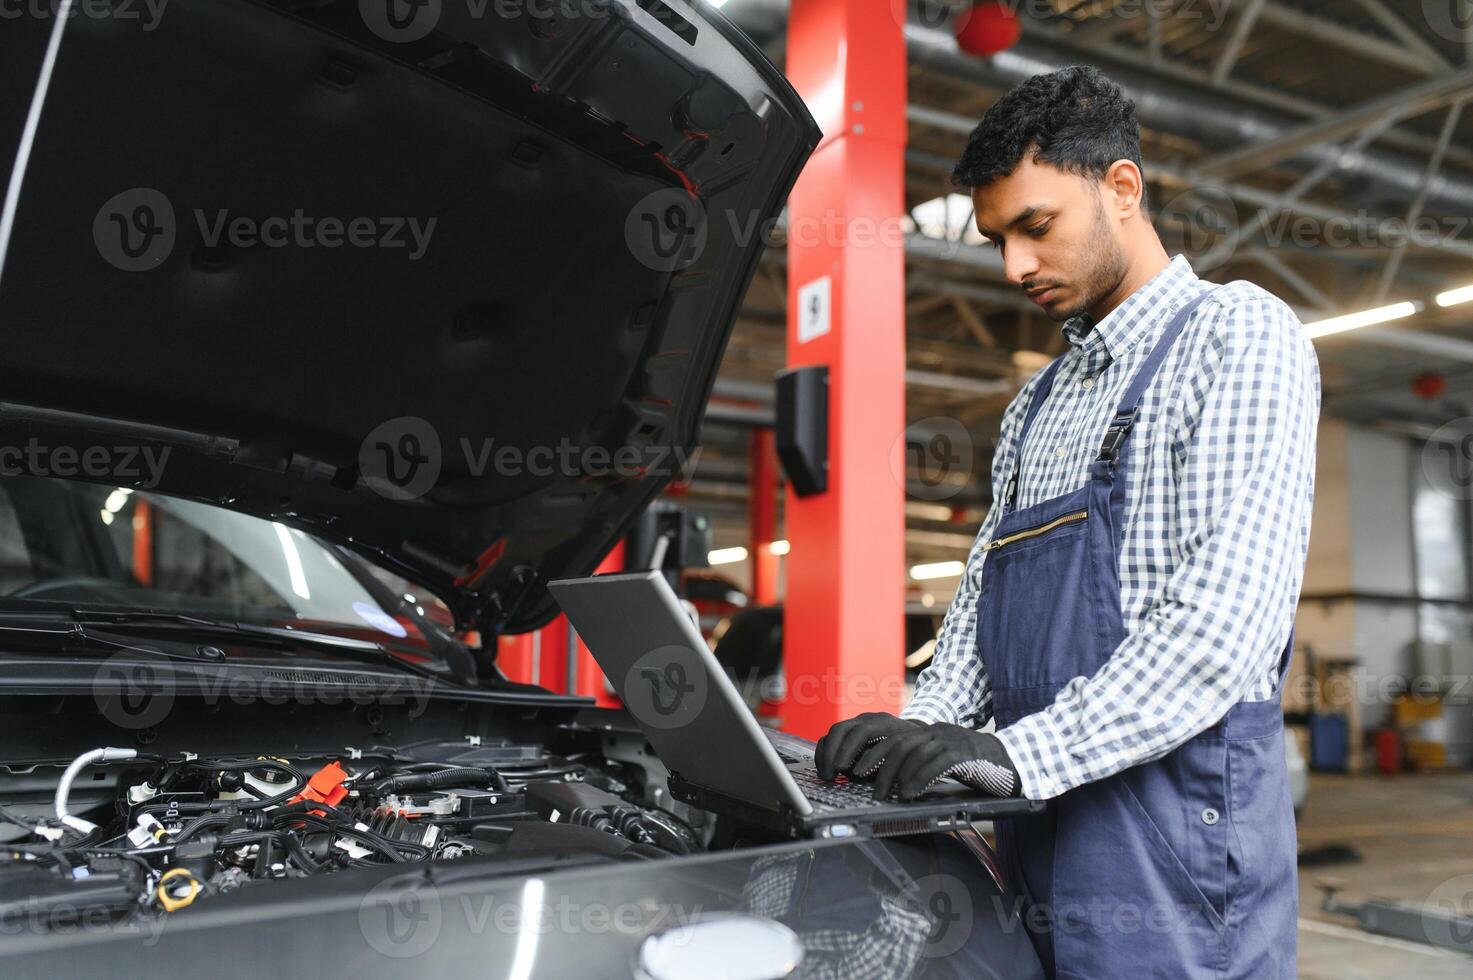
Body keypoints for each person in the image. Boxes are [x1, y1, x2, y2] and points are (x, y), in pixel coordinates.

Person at [814, 65, 1319, 979]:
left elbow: (1221, 629)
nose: (1012, 266)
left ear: (1120, 187)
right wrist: (911, 736)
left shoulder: (1237, 335)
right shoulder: (1035, 406)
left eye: (1035, 227)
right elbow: (974, 618)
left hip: (1176, 851)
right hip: (1040, 829)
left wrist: (1009, 754)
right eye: (997, 239)